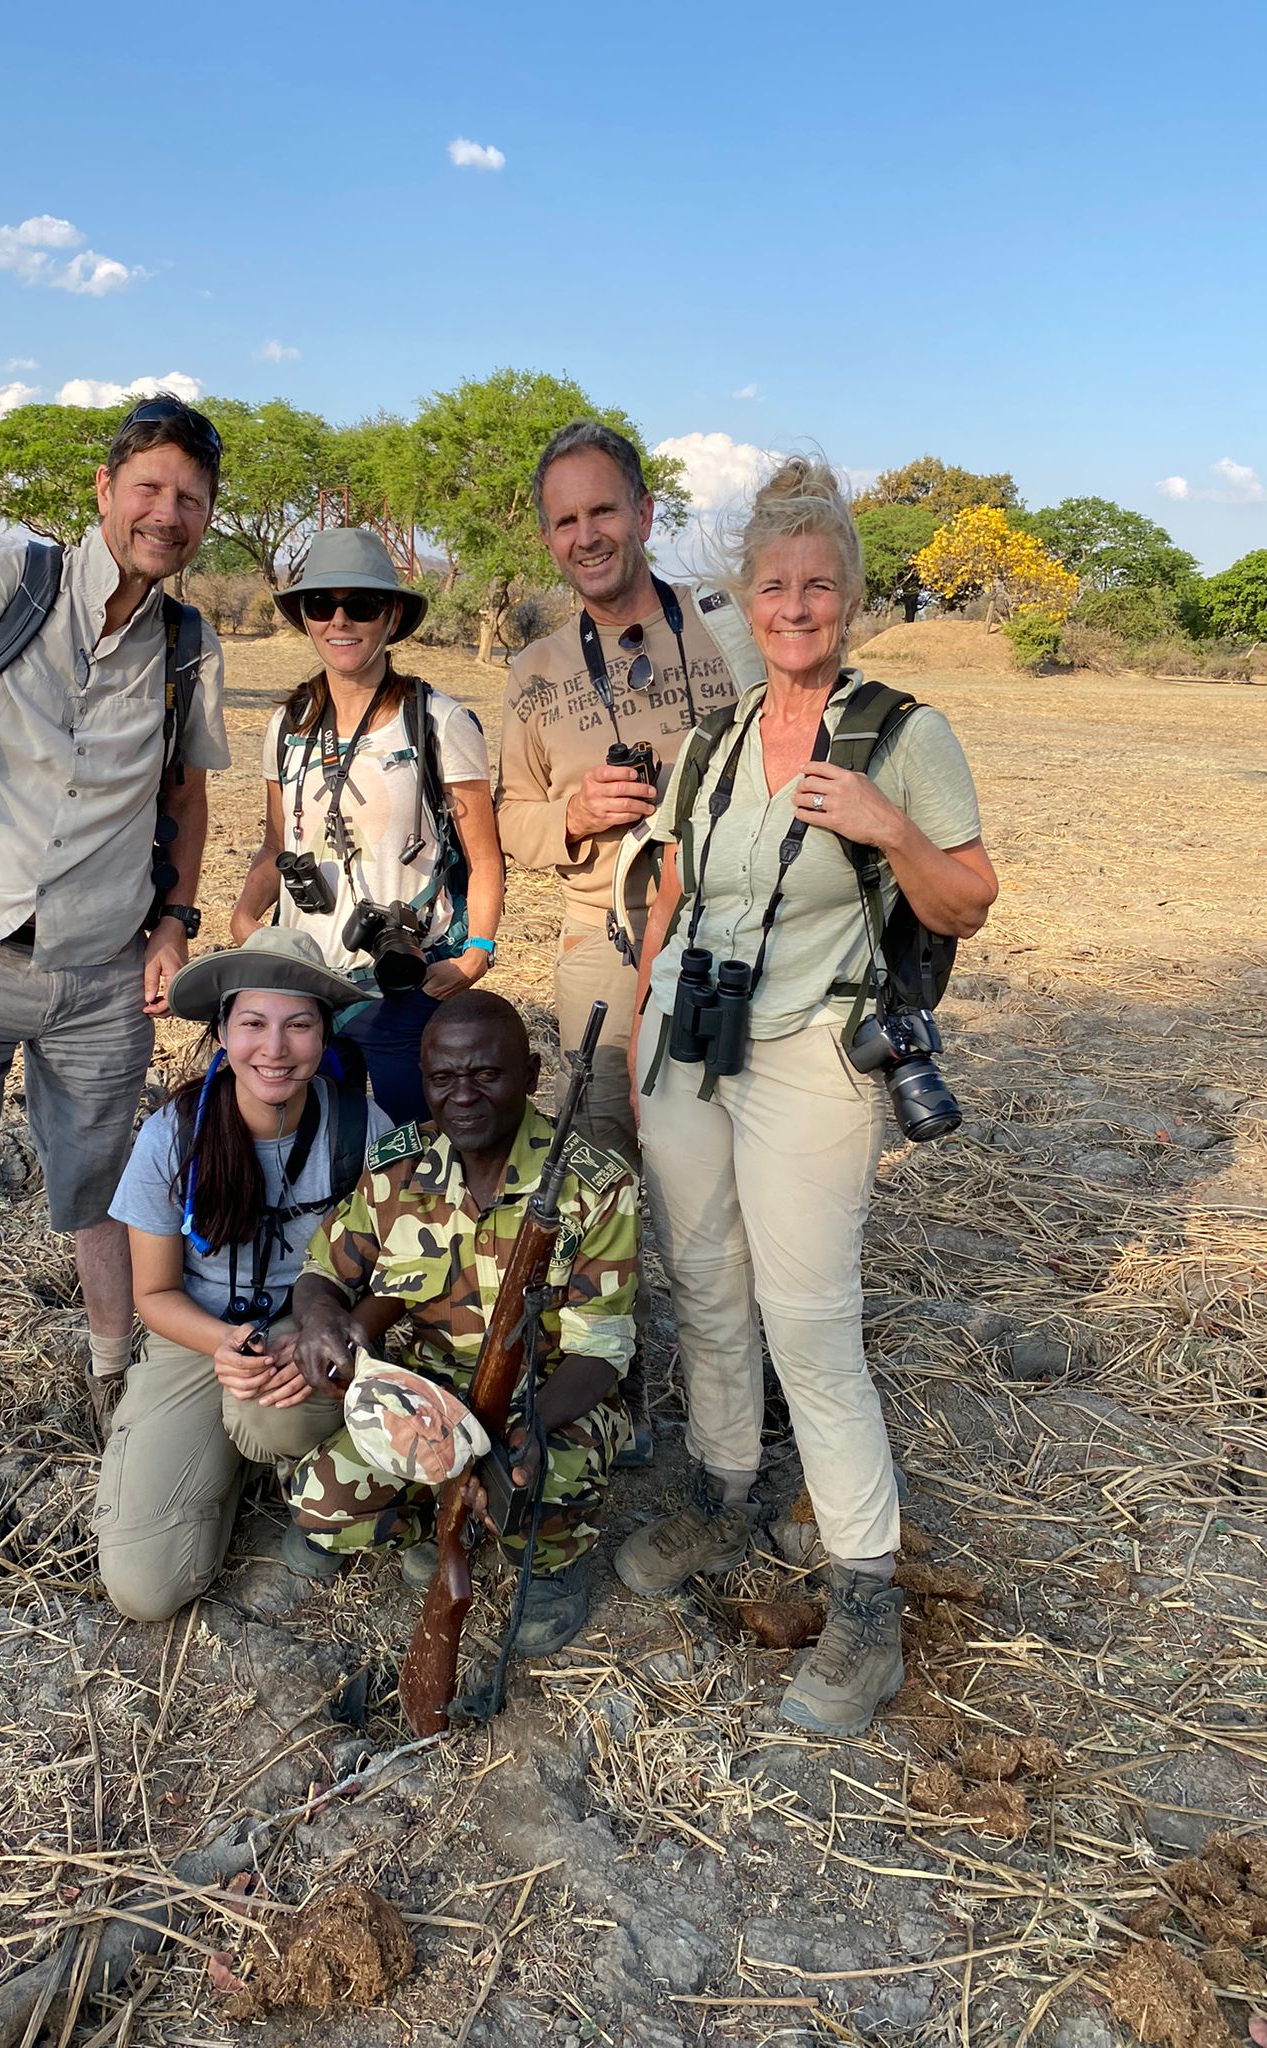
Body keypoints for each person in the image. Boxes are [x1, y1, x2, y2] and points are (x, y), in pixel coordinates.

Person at [616, 455, 998, 1736]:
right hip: (689, 1037)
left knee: (811, 1315)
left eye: (818, 584)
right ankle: (723, 1485)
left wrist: (891, 828)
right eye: (773, 585)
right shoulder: (716, 738)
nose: (793, 606)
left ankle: (868, 1593)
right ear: (748, 593)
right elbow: (673, 885)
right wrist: (641, 1027)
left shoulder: (902, 733)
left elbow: (968, 898)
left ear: (852, 596)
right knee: (704, 1276)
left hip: (810, 1051)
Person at [0, 394, 230, 1520]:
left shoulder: (188, 646)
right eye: (148, 487)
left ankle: (115, 1384)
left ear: (209, 517)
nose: (166, 513)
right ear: (105, 491)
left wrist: (173, 924)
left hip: (100, 975)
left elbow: (186, 799)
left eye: (190, 498)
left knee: (102, 1189)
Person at [495, 420, 759, 1465]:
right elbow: (506, 821)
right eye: (565, 520)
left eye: (604, 509)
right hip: (602, 941)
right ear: (548, 537)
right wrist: (573, 811)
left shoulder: (730, 624)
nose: (587, 535)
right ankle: (619, 1391)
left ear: (646, 513)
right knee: (607, 1174)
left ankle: (744, 1386)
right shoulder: (534, 670)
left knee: (737, 1163)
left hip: (733, 934)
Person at [282, 990, 639, 1658]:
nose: (464, 1096)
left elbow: (601, 1349)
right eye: (443, 1078)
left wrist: (518, 1433)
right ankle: (442, 1518)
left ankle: (550, 1561)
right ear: (423, 1080)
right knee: (319, 1504)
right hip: (431, 1399)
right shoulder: (399, 1165)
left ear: (530, 1076)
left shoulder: (596, 1186)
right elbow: (322, 1269)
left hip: (546, 1401)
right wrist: (321, 1318)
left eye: (487, 1074)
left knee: (538, 1492)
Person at [93, 930, 393, 1621]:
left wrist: (325, 1332)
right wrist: (223, 1346)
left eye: (299, 1025)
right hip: (200, 1335)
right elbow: (154, 1294)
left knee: (269, 1419)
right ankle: (224, 1463)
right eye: (253, 1024)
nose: (275, 1049)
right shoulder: (174, 1133)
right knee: (146, 1591)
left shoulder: (362, 1126)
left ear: (325, 1034)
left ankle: (289, 1457)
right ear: (223, 1031)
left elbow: (396, 1270)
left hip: (314, 1323)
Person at [229, 528, 503, 1125]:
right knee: (317, 1144)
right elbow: (277, 845)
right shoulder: (288, 724)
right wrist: (244, 917)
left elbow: (485, 857)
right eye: (320, 604)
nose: (340, 621)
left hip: (404, 983)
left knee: (414, 1145)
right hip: (305, 985)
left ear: (393, 615)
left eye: (362, 604)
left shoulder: (438, 721)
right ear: (304, 617)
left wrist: (477, 952)